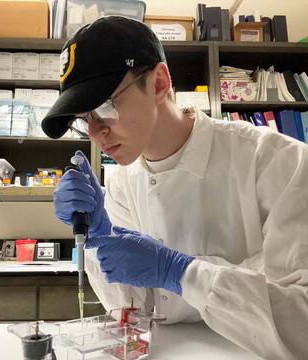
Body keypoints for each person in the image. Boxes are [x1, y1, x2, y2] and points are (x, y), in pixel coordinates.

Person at [42, 16, 308, 360]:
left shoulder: (278, 163)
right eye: (83, 119)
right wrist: (99, 243)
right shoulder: (122, 181)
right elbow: (132, 310)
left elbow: (300, 321)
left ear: (158, 84)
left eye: (104, 108)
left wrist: (179, 272)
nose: (95, 133)